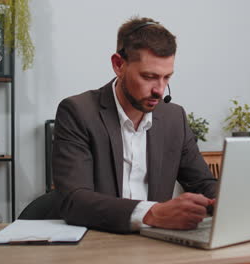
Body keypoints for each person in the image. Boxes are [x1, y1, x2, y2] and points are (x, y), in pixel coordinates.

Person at [52, 16, 217, 234]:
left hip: (155, 246)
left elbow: (204, 184)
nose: (160, 89)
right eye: (149, 77)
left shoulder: (174, 118)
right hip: (98, 242)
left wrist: (225, 201)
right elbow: (74, 200)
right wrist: (153, 213)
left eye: (167, 77)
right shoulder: (77, 112)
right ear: (119, 65)